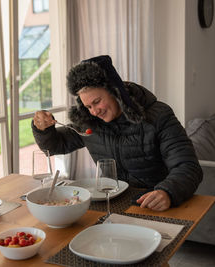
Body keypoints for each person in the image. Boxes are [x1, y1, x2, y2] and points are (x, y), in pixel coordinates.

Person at [32, 55, 202, 211]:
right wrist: (42, 128)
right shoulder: (89, 123)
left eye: (97, 102)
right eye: (88, 106)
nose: (94, 112)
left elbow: (188, 167)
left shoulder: (159, 116)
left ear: (115, 91)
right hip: (110, 203)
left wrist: (168, 192)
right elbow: (54, 145)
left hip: (154, 203)